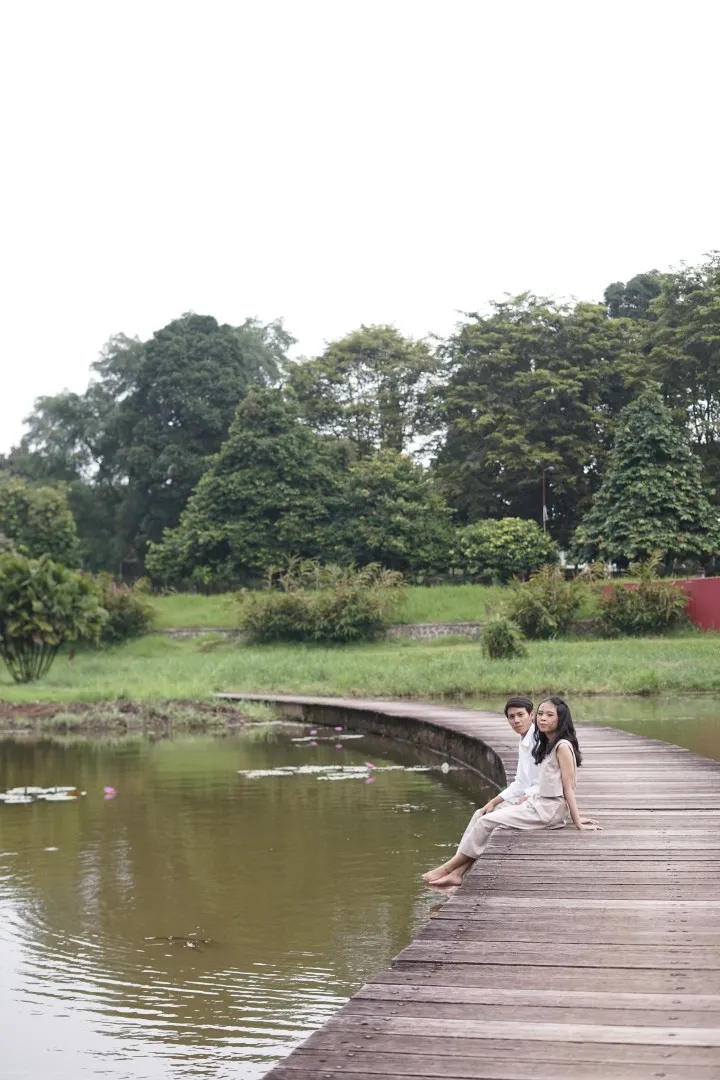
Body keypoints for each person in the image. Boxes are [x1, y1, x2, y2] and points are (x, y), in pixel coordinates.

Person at [422, 695, 600, 888]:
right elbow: (529, 781)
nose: (542, 718)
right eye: (541, 714)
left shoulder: (561, 746)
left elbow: (568, 787)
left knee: (486, 822)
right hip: (539, 804)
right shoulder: (547, 743)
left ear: (560, 718)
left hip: (547, 810)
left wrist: (577, 820)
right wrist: (496, 801)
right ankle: (457, 873)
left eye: (549, 715)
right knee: (483, 816)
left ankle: (448, 868)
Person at [475, 694, 539, 817]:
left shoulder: (540, 740)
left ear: (531, 715)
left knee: (485, 820)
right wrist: (492, 802)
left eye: (520, 715)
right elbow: (520, 783)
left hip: (540, 802)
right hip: (528, 798)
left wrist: (529, 795)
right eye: (511, 717)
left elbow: (550, 781)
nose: (516, 720)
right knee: (480, 813)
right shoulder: (524, 740)